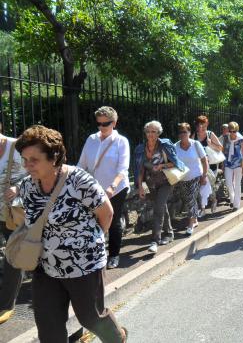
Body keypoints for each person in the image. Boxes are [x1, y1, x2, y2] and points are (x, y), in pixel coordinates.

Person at [16, 125, 127, 342]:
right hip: (45, 266)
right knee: (48, 327)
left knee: (91, 317)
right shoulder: (28, 186)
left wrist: (90, 242)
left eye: (34, 160)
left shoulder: (79, 180)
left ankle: (117, 337)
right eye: (24, 159)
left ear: (54, 157)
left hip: (83, 264)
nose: (27, 165)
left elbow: (107, 213)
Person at [77, 106, 130, 270]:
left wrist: (112, 186)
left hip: (116, 189)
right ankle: (94, 255)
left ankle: (113, 255)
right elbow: (81, 165)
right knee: (91, 221)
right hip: (94, 189)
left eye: (105, 124)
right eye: (99, 123)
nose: (101, 127)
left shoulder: (121, 141)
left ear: (114, 123)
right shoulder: (91, 139)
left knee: (113, 220)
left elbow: (123, 169)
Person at [134, 121, 184, 254]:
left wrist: (161, 166)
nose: (150, 134)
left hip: (165, 182)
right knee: (161, 207)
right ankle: (169, 233)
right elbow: (140, 170)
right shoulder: (140, 149)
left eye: (153, 132)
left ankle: (155, 240)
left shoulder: (165, 145)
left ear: (158, 133)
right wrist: (141, 187)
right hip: (149, 184)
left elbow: (175, 163)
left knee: (158, 208)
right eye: (148, 131)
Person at [0, 123, 27, 325]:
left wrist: (18, 187)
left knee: (14, 256)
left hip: (13, 212)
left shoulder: (17, 146)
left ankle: (6, 304)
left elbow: (36, 171)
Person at [174, 123, 208, 235]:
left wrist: (204, 176)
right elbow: (173, 163)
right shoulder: (175, 146)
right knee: (189, 201)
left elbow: (204, 160)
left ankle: (190, 224)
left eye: (184, 132)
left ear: (189, 132)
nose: (182, 134)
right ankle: (195, 219)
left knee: (191, 199)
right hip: (182, 179)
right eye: (180, 132)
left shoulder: (196, 144)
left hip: (196, 176)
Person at [192, 115, 223, 216]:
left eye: (204, 124)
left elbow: (220, 148)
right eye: (199, 124)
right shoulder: (194, 135)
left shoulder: (210, 134)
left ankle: (213, 200)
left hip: (211, 165)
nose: (201, 127)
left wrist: (211, 144)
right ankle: (203, 208)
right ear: (197, 125)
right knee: (202, 187)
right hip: (199, 165)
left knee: (209, 186)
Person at [221, 121, 243, 210]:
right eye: (230, 131)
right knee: (228, 183)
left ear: (237, 130)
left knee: (237, 184)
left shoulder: (241, 139)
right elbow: (223, 151)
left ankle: (236, 204)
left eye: (234, 131)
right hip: (228, 163)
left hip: (239, 164)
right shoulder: (225, 138)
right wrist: (222, 164)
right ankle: (232, 198)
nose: (232, 133)